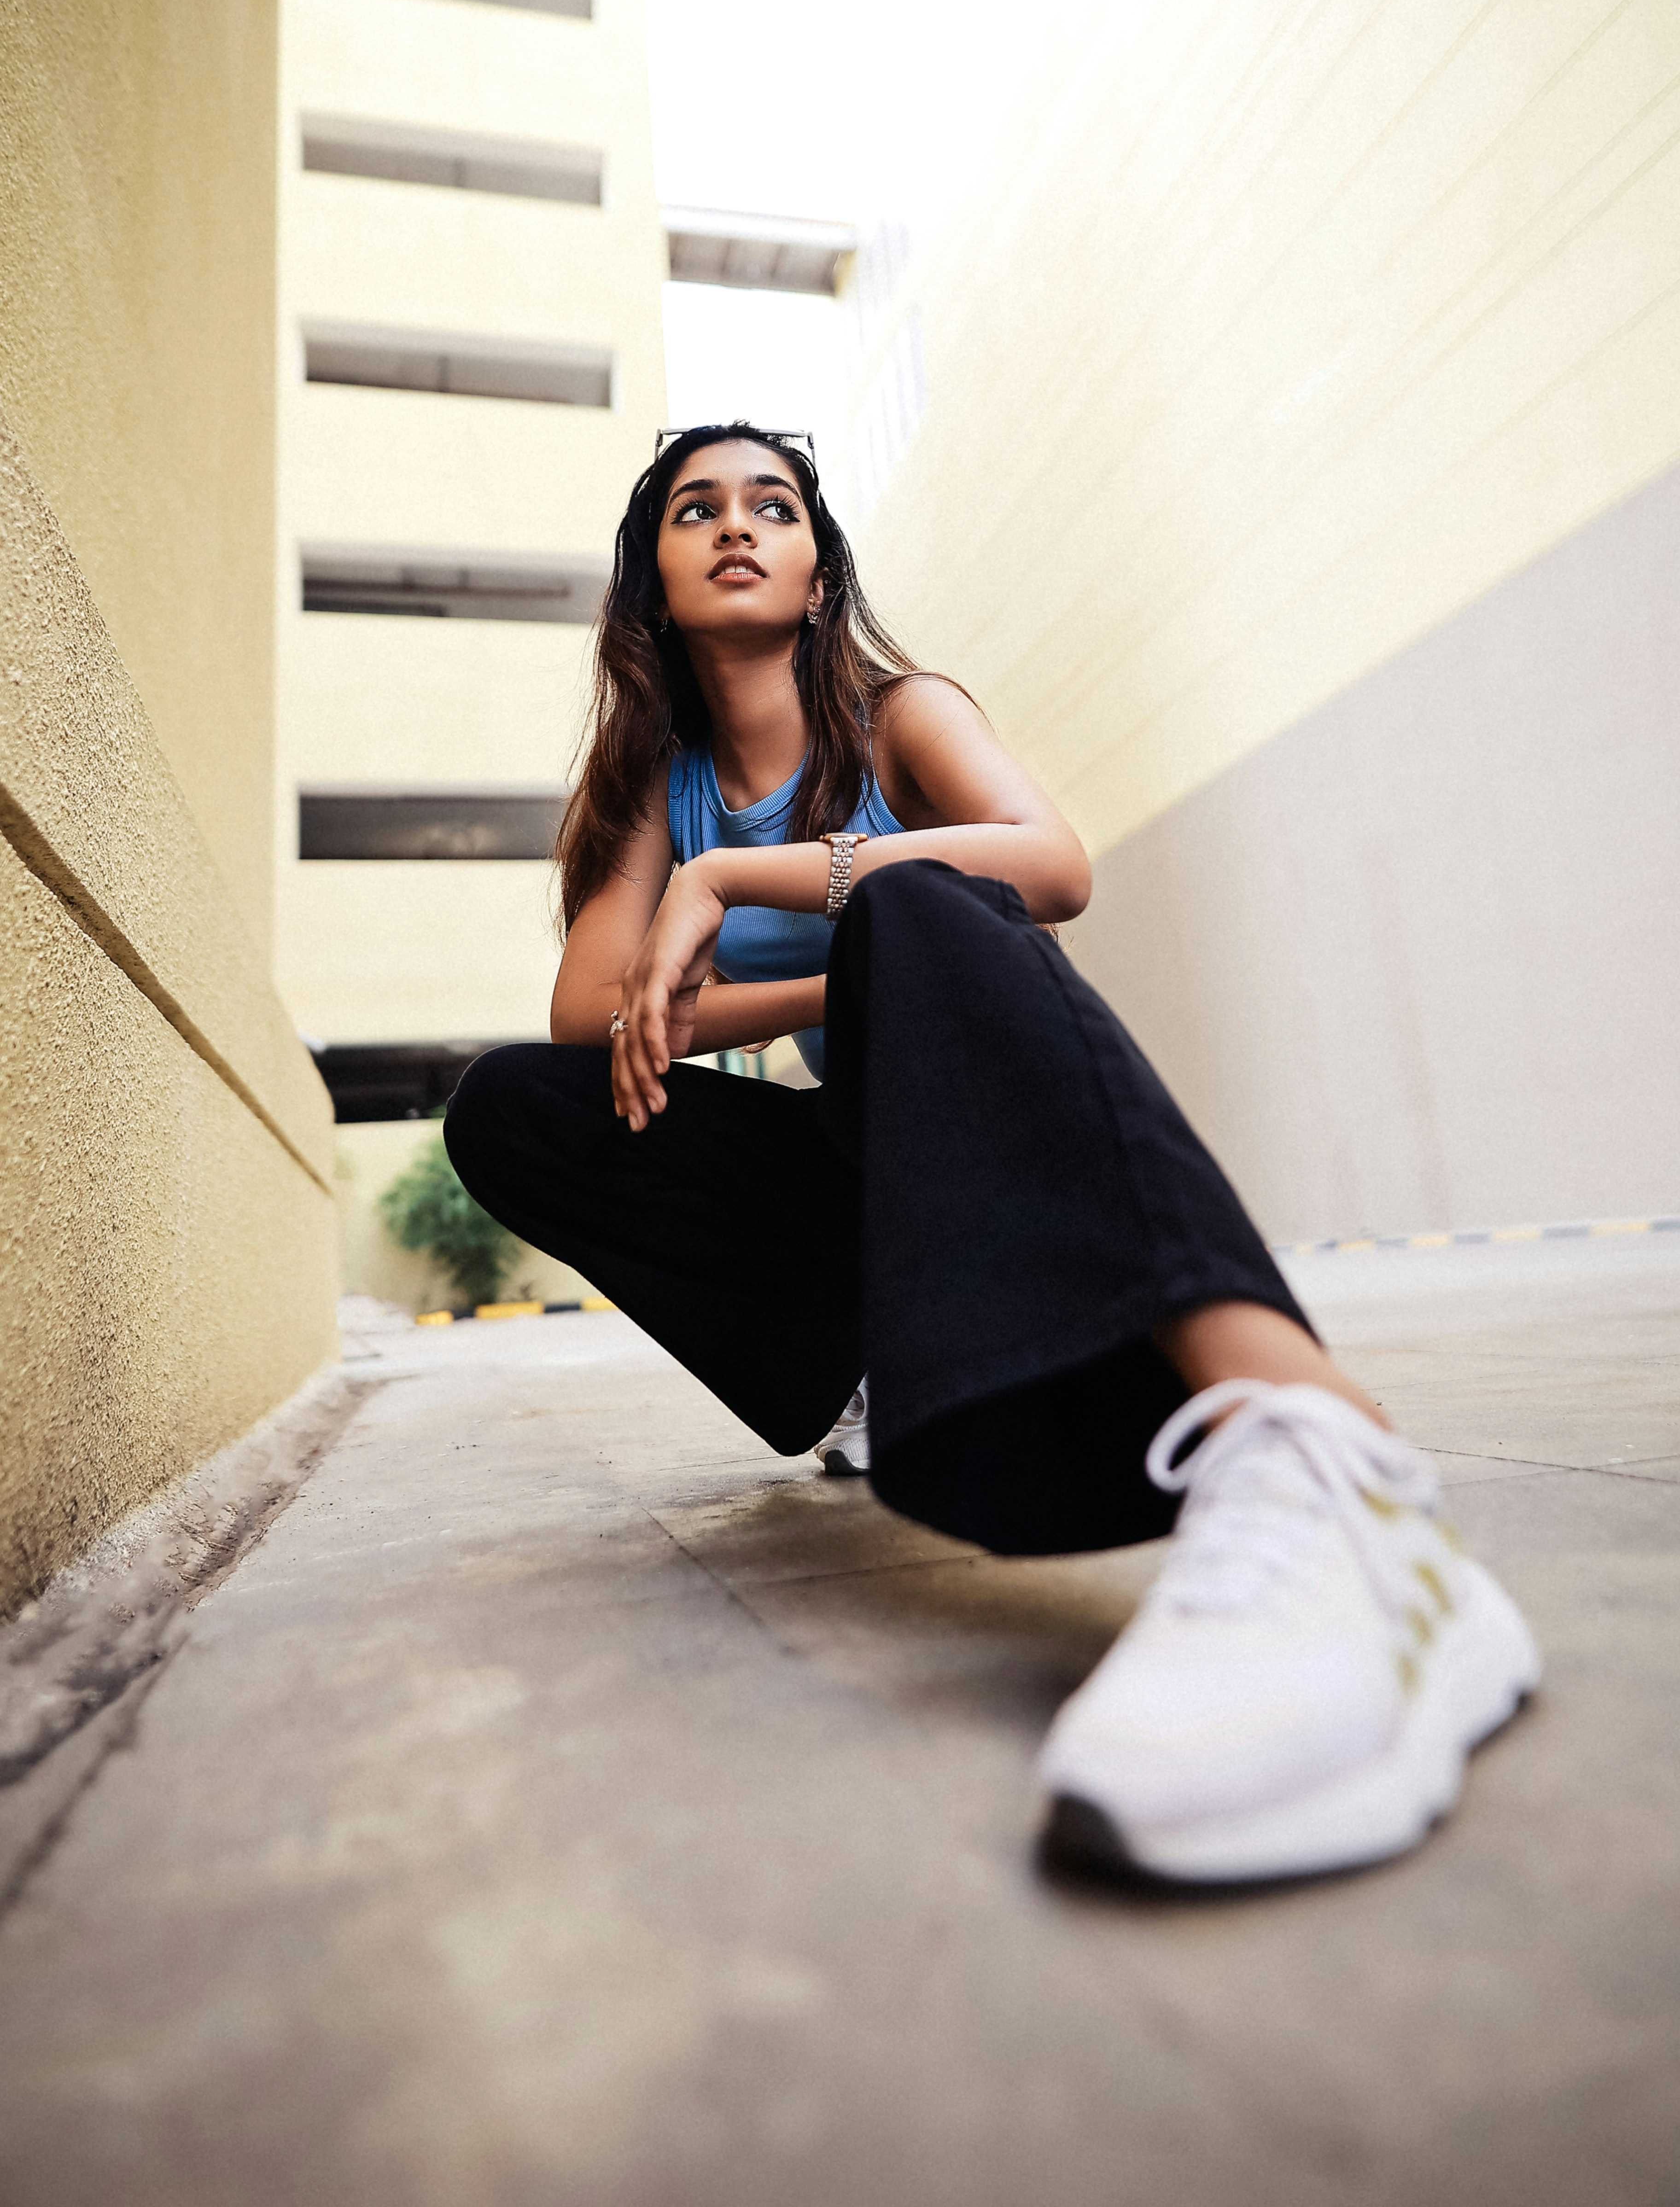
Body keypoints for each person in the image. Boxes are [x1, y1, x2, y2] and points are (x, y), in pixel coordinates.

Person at [444, 422, 1540, 1885]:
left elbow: (1051, 862)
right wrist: (818, 978)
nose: (736, 526)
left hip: (975, 1124)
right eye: (696, 509)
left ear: (821, 573)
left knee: (925, 907)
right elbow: (591, 1015)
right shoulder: (665, 782)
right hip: (855, 1171)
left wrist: (744, 882)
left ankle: (1333, 1465)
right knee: (510, 1106)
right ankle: (859, 1376)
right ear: (650, 585)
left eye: (773, 505)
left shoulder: (900, 713)